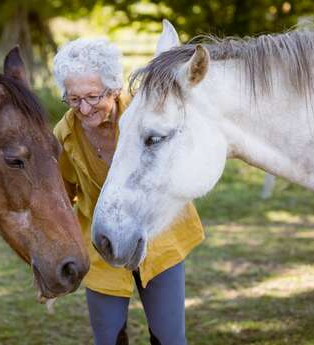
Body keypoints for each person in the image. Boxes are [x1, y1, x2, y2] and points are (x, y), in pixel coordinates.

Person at [52, 38, 204, 345]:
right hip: (103, 244)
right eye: (73, 98)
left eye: (93, 97)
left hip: (157, 238)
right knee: (108, 339)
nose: (83, 108)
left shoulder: (146, 114)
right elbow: (61, 198)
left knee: (170, 338)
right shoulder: (64, 134)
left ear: (114, 88)